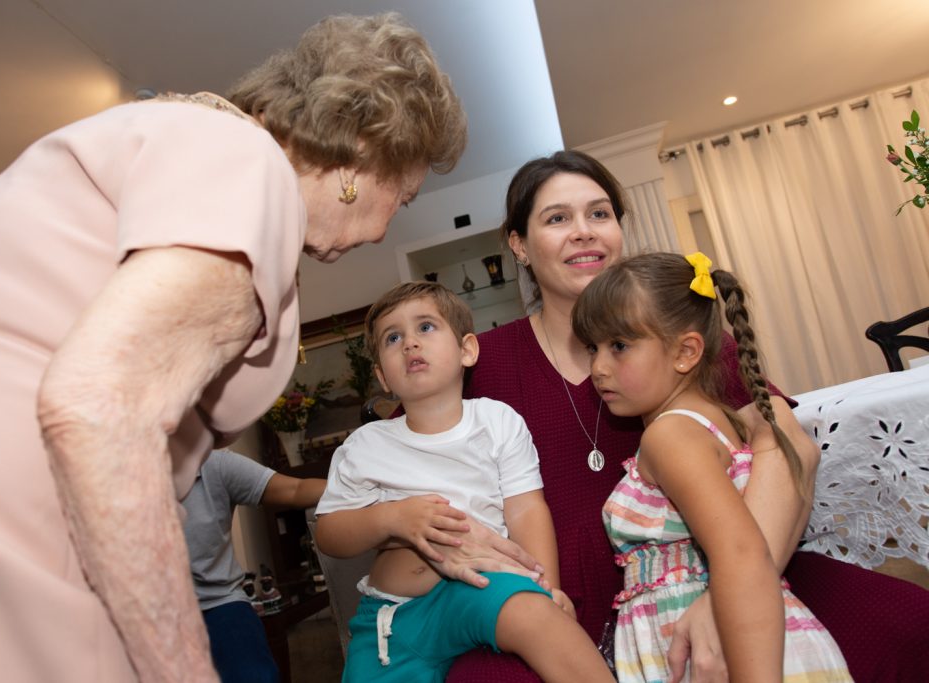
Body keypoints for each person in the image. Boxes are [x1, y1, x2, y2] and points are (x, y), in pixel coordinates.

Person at [0, 13, 466, 682]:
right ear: (365, 156)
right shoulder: (247, 166)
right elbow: (96, 409)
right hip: (18, 513)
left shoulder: (196, 137)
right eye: (399, 199)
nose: (380, 232)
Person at [444, 150, 929, 683]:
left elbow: (790, 449)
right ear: (518, 245)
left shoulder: (684, 343)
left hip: (721, 570)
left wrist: (729, 600)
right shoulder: (475, 362)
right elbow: (387, 458)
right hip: (555, 610)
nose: (584, 232)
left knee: (907, 619)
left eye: (600, 214)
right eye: (557, 218)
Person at [314, 282, 614, 682]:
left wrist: (548, 587)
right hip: (394, 617)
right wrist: (393, 518)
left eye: (426, 327)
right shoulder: (365, 445)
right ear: (382, 376)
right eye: (393, 337)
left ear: (467, 350)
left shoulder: (497, 421)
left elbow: (525, 508)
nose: (409, 344)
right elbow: (331, 533)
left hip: (481, 589)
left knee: (536, 617)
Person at [574, 251, 851, 681]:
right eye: (593, 348)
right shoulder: (723, 419)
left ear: (686, 352)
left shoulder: (668, 437)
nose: (597, 368)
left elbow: (741, 554)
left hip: (720, 654)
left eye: (619, 346)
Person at [181, 448, 325, 683]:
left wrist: (356, 487)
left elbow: (294, 489)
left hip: (220, 604)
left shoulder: (215, 464)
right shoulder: (115, 477)